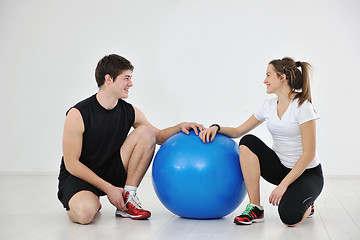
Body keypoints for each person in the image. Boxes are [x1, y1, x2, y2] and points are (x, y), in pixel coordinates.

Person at [57, 54, 204, 224]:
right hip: (80, 176)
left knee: (146, 132)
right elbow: (71, 164)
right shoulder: (78, 114)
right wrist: (109, 188)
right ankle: (86, 202)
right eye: (126, 78)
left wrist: (180, 126)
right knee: (85, 215)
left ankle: (128, 198)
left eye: (131, 78)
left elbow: (157, 136)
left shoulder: (129, 111)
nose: (131, 84)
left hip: (111, 169)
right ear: (108, 79)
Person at [199, 57, 324, 226]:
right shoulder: (268, 106)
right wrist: (216, 127)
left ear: (282, 77)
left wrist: (283, 186)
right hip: (280, 169)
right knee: (248, 141)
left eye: (268, 75)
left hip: (307, 174)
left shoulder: (303, 107)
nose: (265, 81)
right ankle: (255, 208)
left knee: (289, 219)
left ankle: (308, 204)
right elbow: (238, 131)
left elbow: (309, 154)